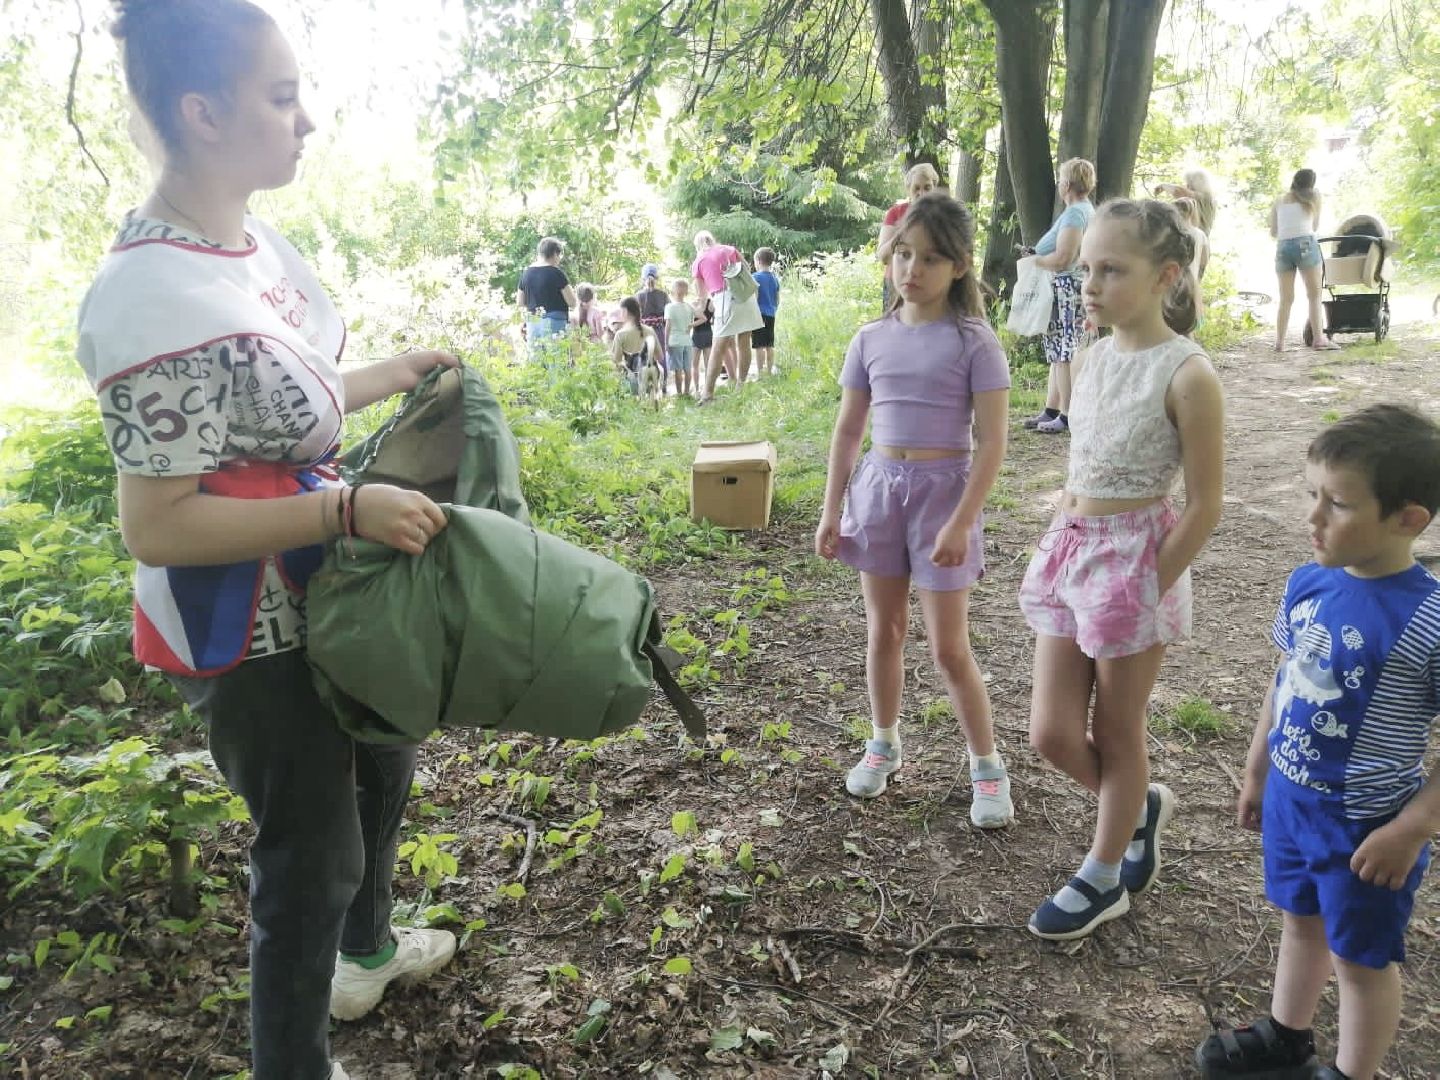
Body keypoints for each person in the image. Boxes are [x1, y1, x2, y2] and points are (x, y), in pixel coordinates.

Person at [79, 4, 458, 1077]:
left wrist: (390, 373)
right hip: (243, 630)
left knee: (385, 763)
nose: (308, 120)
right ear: (202, 112)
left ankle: (367, 955)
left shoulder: (244, 245)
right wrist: (342, 509)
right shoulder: (150, 292)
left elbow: (263, 396)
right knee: (309, 855)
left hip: (330, 590)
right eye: (283, 97)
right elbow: (157, 522)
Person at [1194, 405, 1440, 1080]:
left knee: (1362, 961)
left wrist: (1411, 830)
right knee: (1299, 920)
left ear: (1408, 519)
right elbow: (1286, 681)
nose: (1313, 518)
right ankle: (1286, 1035)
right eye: (1312, 495)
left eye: (1337, 504)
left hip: (1367, 829)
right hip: (1292, 803)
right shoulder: (1309, 583)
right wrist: (1256, 771)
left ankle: (1350, 1073)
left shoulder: (1428, 617)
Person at [1019, 198, 1225, 940]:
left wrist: (1148, 584)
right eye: (1085, 270)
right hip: (1074, 551)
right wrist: (1057, 536)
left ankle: (1104, 875)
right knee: (1050, 732)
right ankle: (1136, 809)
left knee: (1118, 727)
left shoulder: (1188, 374)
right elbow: (1083, 466)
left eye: (1112, 269)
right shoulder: (1092, 357)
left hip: (1138, 565)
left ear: (1166, 275)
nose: (1091, 284)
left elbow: (1204, 504)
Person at [815, 194, 1015, 828]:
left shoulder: (974, 342)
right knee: (885, 631)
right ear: (888, 257)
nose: (913, 269)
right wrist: (831, 510)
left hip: (943, 495)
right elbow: (848, 432)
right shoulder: (869, 338)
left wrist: (961, 520)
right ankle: (883, 741)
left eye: (930, 258)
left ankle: (986, 766)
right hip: (877, 491)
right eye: (903, 254)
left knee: (949, 648)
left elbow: (994, 441)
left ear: (958, 267)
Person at [1022, 158, 1097, 436]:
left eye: (1061, 178)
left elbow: (1064, 257)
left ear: (1066, 184)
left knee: (1065, 350)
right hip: (1066, 288)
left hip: (1067, 288)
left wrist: (1034, 261)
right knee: (1057, 351)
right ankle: (1052, 409)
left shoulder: (1076, 214)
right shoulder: (1084, 210)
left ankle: (1066, 415)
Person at [1270, 168, 1339, 352]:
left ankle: (1279, 342)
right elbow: (1315, 226)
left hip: (1283, 247)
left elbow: (1273, 232)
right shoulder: (1314, 197)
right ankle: (1318, 339)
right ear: (1311, 184)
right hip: (1305, 244)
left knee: (1286, 298)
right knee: (1314, 294)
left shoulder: (1279, 200)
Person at [692, 231, 763, 403]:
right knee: (744, 341)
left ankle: (707, 394)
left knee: (718, 347)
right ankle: (741, 385)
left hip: (724, 299)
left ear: (697, 245)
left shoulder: (699, 261)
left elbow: (702, 295)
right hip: (746, 297)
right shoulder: (729, 249)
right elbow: (747, 269)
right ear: (712, 240)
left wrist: (699, 309)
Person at [877, 162, 940, 311]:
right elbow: (883, 257)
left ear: (934, 188)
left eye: (927, 187)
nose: (922, 193)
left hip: (931, 283)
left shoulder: (943, 215)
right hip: (897, 283)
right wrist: (905, 229)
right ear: (908, 190)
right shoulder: (896, 213)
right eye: (916, 188)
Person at [517, 236, 577, 361]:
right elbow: (572, 302)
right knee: (557, 365)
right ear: (555, 253)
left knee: (537, 365)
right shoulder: (556, 273)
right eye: (559, 256)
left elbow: (520, 302)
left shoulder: (526, 273)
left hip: (533, 324)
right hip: (555, 324)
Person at [610, 296, 661, 396]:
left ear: (625, 311)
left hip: (631, 380)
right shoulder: (650, 330)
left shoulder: (620, 334)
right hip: (651, 377)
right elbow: (660, 356)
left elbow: (617, 361)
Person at [1174, 197, 1209, 321]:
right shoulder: (1200, 234)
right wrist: (1198, 279)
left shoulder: (1172, 232)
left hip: (1173, 282)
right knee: (1188, 322)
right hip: (1192, 282)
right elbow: (1204, 260)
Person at [636, 263, 670, 391]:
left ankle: (646, 387)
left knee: (644, 357)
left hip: (643, 331)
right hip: (659, 329)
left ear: (642, 279)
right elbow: (668, 314)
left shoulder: (639, 296)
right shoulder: (663, 295)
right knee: (661, 357)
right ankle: (664, 385)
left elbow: (635, 315)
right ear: (657, 278)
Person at [1155, 168, 1217, 235]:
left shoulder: (1206, 198)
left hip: (1198, 236)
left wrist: (1163, 186)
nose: (1187, 186)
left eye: (1189, 183)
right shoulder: (1206, 197)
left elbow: (1181, 191)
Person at [663, 278, 698, 398]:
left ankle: (679, 393)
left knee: (678, 369)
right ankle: (687, 392)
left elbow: (668, 326)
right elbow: (703, 318)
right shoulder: (689, 306)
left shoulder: (669, 307)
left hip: (675, 341)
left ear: (673, 291)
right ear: (686, 292)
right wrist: (691, 325)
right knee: (687, 368)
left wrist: (665, 343)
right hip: (688, 341)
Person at [752, 247, 780, 377]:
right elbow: (777, 299)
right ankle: (769, 371)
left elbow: (755, 297)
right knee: (769, 344)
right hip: (771, 314)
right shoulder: (774, 278)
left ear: (758, 261)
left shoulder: (755, 277)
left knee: (759, 345)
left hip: (759, 314)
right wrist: (773, 308)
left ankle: (760, 372)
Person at [691, 293, 715, 387]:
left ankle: (696, 388)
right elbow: (713, 320)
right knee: (708, 365)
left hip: (696, 334)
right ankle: (707, 387)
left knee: (694, 365)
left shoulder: (694, 303)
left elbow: (691, 319)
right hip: (708, 333)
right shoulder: (711, 303)